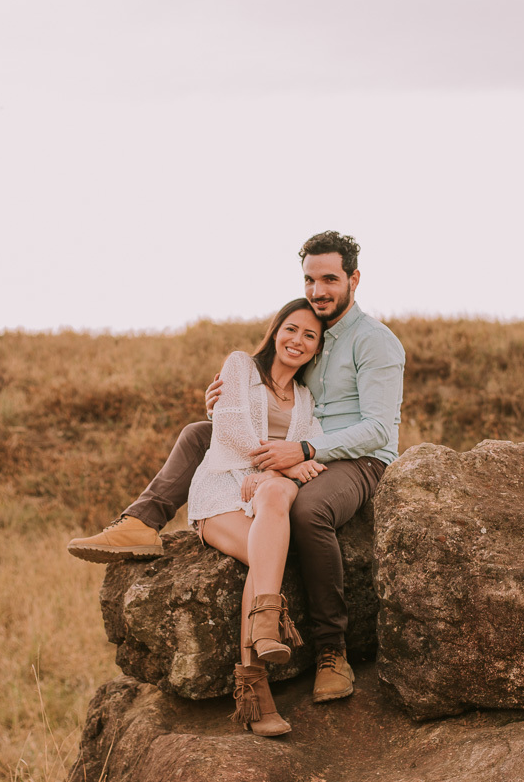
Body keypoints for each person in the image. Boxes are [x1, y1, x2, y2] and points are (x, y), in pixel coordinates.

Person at [67, 231, 406, 705]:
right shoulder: (315, 331)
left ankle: (332, 651)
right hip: (291, 443)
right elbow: (272, 388)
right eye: (310, 279)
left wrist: (305, 452)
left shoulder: (376, 343)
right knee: (195, 433)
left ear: (353, 279)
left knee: (308, 511)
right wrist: (224, 402)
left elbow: (377, 429)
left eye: (329, 278)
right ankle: (140, 523)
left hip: (355, 458)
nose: (318, 290)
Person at [189, 298, 328, 736]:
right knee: (265, 556)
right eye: (292, 329)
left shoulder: (305, 398)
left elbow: (317, 450)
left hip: (265, 490)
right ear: (276, 330)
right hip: (222, 489)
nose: (298, 340)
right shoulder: (241, 367)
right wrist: (280, 463)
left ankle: (259, 660)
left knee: (269, 523)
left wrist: (274, 472)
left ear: (316, 349)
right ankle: (260, 668)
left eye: (310, 336)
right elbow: (228, 428)